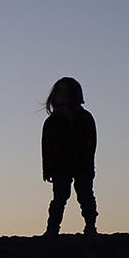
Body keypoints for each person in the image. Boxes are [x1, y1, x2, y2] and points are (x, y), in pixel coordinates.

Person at [41, 77, 98, 236]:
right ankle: (52, 229)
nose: (58, 95)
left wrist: (87, 165)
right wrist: (47, 169)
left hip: (82, 165)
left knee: (85, 196)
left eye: (62, 92)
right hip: (60, 166)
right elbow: (46, 148)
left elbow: (90, 144)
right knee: (59, 198)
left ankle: (90, 226)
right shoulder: (52, 122)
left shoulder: (85, 117)